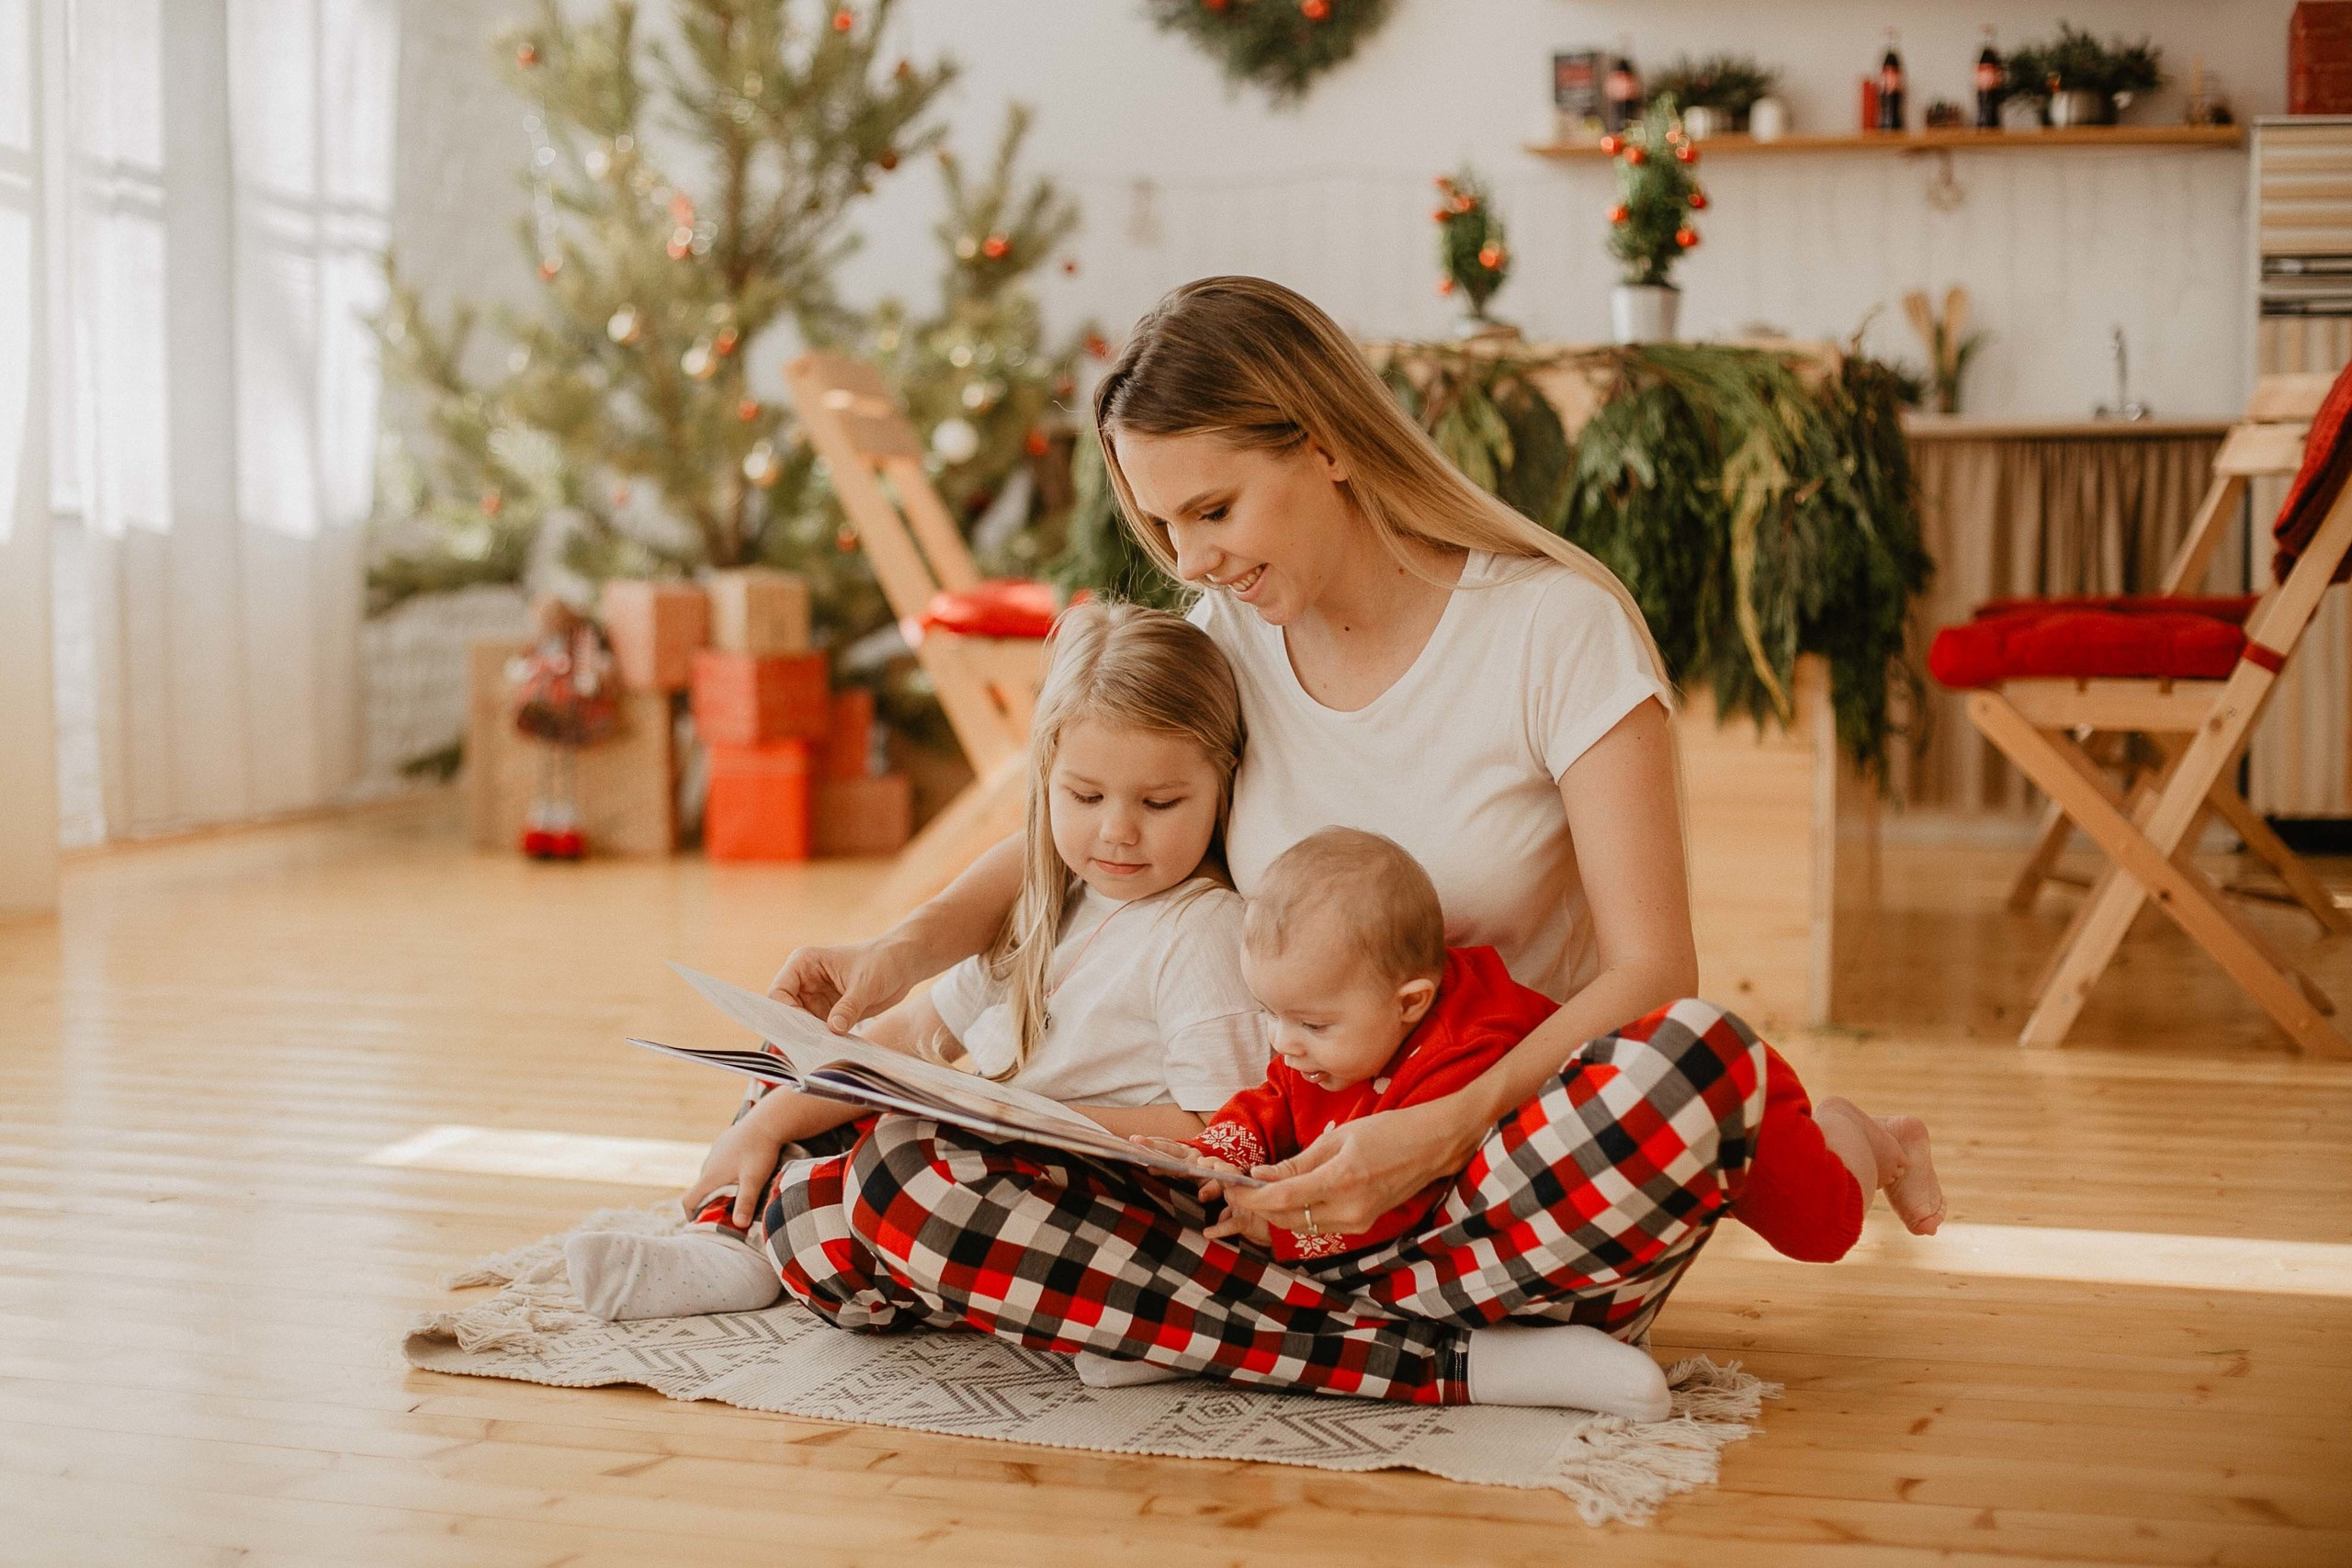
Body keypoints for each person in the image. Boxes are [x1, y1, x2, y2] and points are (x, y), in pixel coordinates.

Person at [768, 275, 1943, 1406]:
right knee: (868, 1188)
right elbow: (1086, 827)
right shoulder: (1222, 637)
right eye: (1163, 524)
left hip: (1501, 1174)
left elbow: (1653, 975)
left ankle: (1201, 1332)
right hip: (1283, 1185)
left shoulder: (1553, 630)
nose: (1189, 562)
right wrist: (899, 954)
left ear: (1325, 442)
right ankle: (1447, 1363)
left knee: (1692, 1064)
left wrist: (1441, 1129)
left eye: (1214, 511)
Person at [563, 602, 1269, 1322]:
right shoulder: (1050, 902)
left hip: (1095, 1194)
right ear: (1046, 781)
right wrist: (766, 1122)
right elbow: (905, 1037)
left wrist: (1031, 1116)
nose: (1117, 830)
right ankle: (727, 1239)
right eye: (1085, 795)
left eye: (1160, 801)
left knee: (879, 1181)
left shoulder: (1201, 930)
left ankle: (781, 1234)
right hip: (990, 1151)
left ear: (1222, 786)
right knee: (800, 1041)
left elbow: (1224, 1129)